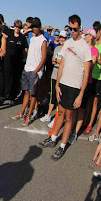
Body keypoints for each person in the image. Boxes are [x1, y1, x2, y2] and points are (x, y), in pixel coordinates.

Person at [39, 15, 92, 160]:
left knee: (69, 117)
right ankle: (53, 138)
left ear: (80, 28)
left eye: (75, 29)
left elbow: (87, 73)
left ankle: (62, 146)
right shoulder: (67, 43)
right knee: (60, 112)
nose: (73, 31)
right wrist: (57, 84)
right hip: (63, 84)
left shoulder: (85, 47)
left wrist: (81, 94)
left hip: (75, 87)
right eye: (71, 29)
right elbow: (61, 64)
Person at [11, 17, 47, 126]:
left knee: (33, 94)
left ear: (39, 27)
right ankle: (22, 113)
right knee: (26, 92)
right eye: (32, 27)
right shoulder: (31, 38)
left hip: (35, 71)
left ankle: (29, 116)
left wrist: (36, 70)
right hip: (27, 69)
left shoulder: (43, 40)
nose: (33, 29)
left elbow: (44, 58)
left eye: (35, 27)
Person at [83, 21, 101, 134]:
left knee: (95, 102)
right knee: (88, 101)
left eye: (97, 30)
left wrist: (96, 58)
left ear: (100, 31)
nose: (95, 33)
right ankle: (85, 120)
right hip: (89, 75)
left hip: (98, 76)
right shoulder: (91, 43)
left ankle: (90, 124)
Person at [41, 30, 68, 123]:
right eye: (60, 37)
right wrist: (58, 61)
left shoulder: (67, 50)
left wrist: (58, 61)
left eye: (63, 38)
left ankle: (57, 118)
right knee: (52, 96)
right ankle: (48, 115)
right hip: (54, 74)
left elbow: (65, 63)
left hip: (63, 76)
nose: (61, 39)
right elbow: (53, 61)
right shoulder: (57, 49)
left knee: (59, 98)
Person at [3, 20, 28, 103]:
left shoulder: (22, 37)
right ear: (14, 27)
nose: (17, 28)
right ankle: (5, 94)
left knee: (15, 79)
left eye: (19, 27)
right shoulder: (9, 35)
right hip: (8, 60)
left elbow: (26, 49)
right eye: (16, 27)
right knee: (7, 77)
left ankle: (12, 97)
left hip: (18, 61)